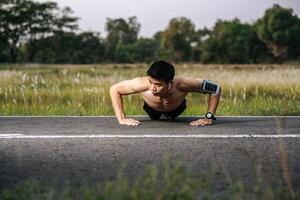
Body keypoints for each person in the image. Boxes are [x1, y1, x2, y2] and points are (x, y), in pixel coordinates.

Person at [110, 60, 221, 126]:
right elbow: (114, 89)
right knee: (154, 116)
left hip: (176, 109)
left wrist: (208, 117)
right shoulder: (141, 84)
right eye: (151, 82)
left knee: (173, 116)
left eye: (158, 85)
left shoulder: (183, 84)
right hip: (151, 109)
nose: (153, 88)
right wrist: (122, 119)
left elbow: (215, 88)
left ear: (169, 83)